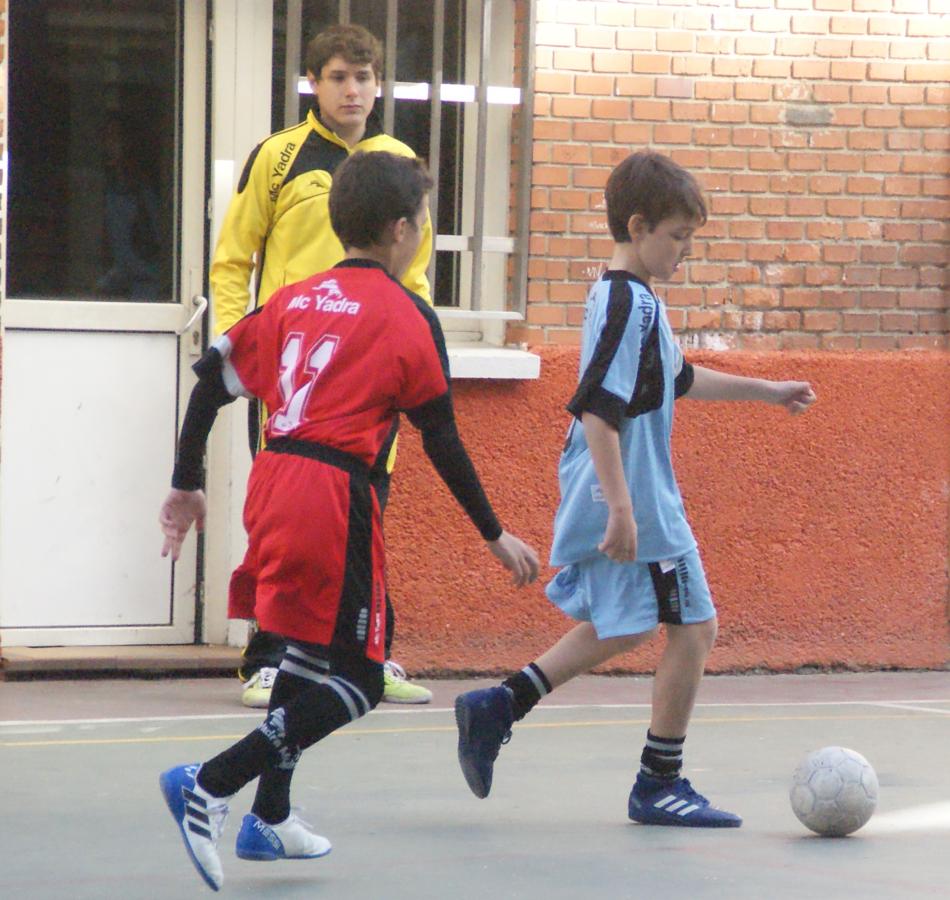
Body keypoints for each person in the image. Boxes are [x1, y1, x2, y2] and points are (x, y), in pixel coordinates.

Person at [158, 151, 539, 891]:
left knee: (303, 653)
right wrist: (493, 533)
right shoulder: (408, 317)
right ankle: (211, 781)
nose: (423, 236)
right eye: (423, 225)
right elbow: (443, 439)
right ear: (400, 231)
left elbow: (210, 385)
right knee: (363, 676)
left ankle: (270, 817)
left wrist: (187, 482)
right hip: (333, 492)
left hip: (273, 478)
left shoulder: (294, 298)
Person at [453, 151, 817, 828]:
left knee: (628, 624)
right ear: (639, 224)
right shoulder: (625, 302)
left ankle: (500, 706)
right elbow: (596, 407)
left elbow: (675, 380)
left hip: (632, 488)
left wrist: (766, 392)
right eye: (678, 238)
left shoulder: (636, 299)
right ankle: (659, 781)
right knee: (695, 628)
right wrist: (622, 507)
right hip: (634, 492)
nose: (684, 252)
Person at [209, 23, 434, 707]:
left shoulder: (400, 161)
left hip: (372, 375)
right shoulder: (277, 158)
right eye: (339, 76)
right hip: (295, 372)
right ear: (313, 83)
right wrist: (239, 348)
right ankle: (266, 659)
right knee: (286, 519)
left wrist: (421, 344)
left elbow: (416, 273)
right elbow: (232, 262)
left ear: (379, 85)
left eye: (364, 77)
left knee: (370, 509)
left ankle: (370, 654)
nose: (353, 90)